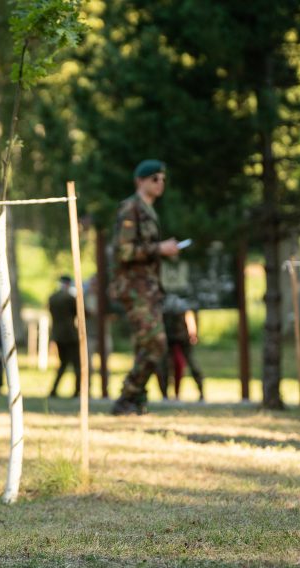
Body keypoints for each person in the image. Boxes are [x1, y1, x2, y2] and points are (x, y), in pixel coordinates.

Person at [108, 159, 179, 415]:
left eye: (162, 179)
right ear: (140, 180)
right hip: (135, 288)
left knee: (144, 344)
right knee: (155, 342)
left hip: (148, 288)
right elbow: (124, 251)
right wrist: (159, 248)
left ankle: (136, 399)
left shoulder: (149, 210)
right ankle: (128, 395)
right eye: (155, 178)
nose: (160, 183)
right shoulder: (131, 208)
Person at [157, 307, 205, 402]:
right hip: (167, 337)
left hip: (183, 338)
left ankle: (201, 393)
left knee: (191, 365)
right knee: (163, 366)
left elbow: (190, 312)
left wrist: (193, 332)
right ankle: (165, 395)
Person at [48, 275, 80, 398]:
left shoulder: (52, 298)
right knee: (76, 364)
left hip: (58, 335)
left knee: (63, 363)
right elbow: (80, 313)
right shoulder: (70, 298)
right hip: (70, 335)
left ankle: (54, 389)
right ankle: (78, 390)